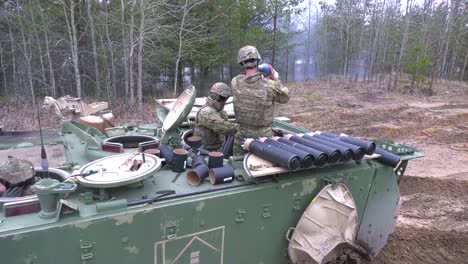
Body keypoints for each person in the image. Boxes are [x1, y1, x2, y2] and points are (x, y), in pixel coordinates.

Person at [231, 45, 290, 156]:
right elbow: (285, 97)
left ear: (241, 63)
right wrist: (275, 78)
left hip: (241, 138)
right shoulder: (269, 85)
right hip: (264, 140)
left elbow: (245, 80)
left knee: (238, 167)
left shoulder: (234, 82)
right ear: (257, 61)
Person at [193, 82, 239, 152]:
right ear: (218, 97)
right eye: (224, 98)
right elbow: (223, 127)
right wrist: (240, 128)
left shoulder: (218, 110)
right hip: (205, 152)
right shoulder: (207, 113)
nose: (225, 101)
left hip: (216, 149)